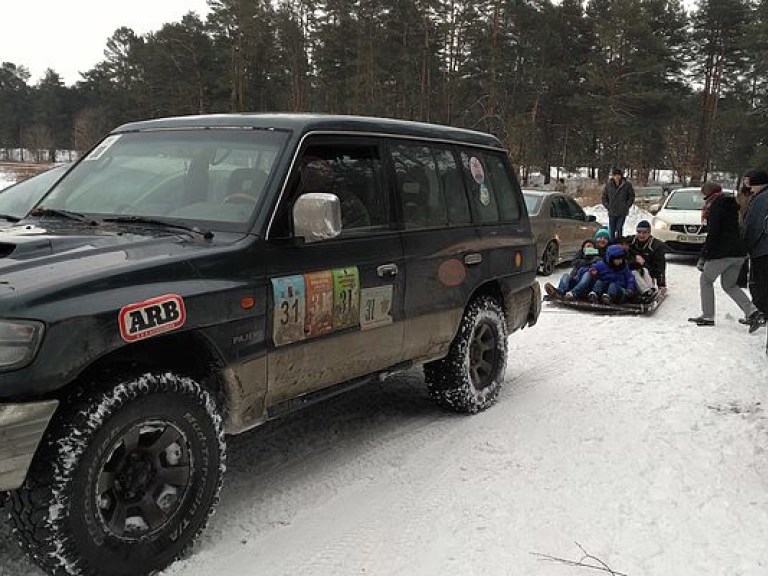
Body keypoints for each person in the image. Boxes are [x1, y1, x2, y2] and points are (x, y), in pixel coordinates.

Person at [687, 182, 759, 327]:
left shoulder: (715, 206)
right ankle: (753, 312)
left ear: (708, 193)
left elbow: (714, 233)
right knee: (729, 285)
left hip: (723, 252)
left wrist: (704, 255)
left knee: (706, 280)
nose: (703, 197)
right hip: (738, 252)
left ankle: (708, 317)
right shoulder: (729, 205)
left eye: (704, 194)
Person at [740, 169, 768, 335]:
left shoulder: (761, 199)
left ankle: (761, 313)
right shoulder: (761, 196)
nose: (745, 183)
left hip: (762, 249)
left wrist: (746, 245)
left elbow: (754, 225)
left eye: (747, 180)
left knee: (759, 283)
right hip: (762, 247)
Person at [625, 220, 667, 297]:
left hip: (649, 270)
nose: (641, 235)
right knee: (633, 272)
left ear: (649, 233)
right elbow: (618, 245)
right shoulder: (630, 241)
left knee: (643, 271)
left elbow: (660, 266)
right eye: (639, 232)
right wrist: (636, 255)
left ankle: (649, 290)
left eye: (644, 232)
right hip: (632, 269)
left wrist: (661, 284)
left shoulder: (656, 246)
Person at [601, 168, 635, 240]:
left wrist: (626, 205)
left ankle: (619, 243)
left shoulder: (627, 185)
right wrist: (608, 206)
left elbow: (631, 196)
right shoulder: (608, 185)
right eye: (615, 175)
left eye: (618, 175)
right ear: (613, 176)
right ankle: (612, 243)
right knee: (612, 230)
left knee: (619, 228)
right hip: (612, 211)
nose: (617, 177)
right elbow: (604, 197)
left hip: (622, 211)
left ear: (621, 176)